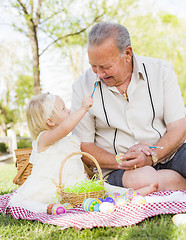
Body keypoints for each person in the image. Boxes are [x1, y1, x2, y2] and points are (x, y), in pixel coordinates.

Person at [71, 21, 186, 192]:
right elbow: (84, 145)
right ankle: (171, 184)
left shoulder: (161, 71)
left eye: (105, 67)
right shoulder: (82, 86)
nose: (99, 74)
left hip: (169, 153)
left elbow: (178, 127)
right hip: (119, 168)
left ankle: (167, 183)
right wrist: (123, 160)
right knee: (146, 179)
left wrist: (152, 157)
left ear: (127, 53)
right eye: (93, 66)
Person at [8, 93, 93, 214]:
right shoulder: (44, 138)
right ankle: (44, 208)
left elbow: (77, 164)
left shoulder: (70, 141)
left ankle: (61, 205)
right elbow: (65, 128)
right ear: (50, 121)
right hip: (47, 188)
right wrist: (83, 109)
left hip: (69, 188)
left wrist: (88, 182)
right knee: (20, 202)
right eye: (63, 109)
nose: (68, 111)